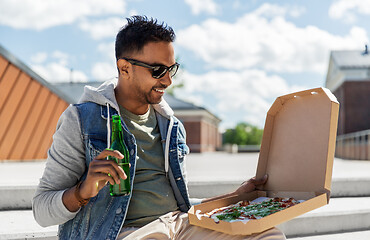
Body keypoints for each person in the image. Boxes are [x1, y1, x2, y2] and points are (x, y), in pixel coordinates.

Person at [32, 15, 286, 240]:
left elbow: (178, 206)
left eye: (172, 68)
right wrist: (82, 191)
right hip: (126, 232)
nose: (168, 80)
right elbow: (42, 210)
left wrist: (234, 197)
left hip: (178, 225)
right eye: (158, 70)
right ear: (124, 68)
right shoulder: (82, 120)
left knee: (267, 232)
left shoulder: (172, 126)